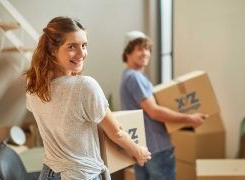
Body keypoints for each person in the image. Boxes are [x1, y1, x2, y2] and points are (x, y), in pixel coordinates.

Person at [24, 17, 151, 180]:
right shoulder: (84, 86)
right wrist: (137, 151)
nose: (81, 53)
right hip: (80, 175)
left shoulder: (34, 84)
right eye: (72, 47)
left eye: (84, 45)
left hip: (48, 173)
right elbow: (117, 132)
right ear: (52, 50)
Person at [120, 31, 208, 180]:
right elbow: (154, 111)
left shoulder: (128, 76)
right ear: (128, 52)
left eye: (147, 49)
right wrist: (189, 119)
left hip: (142, 148)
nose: (145, 53)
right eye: (140, 49)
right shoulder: (134, 77)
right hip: (156, 148)